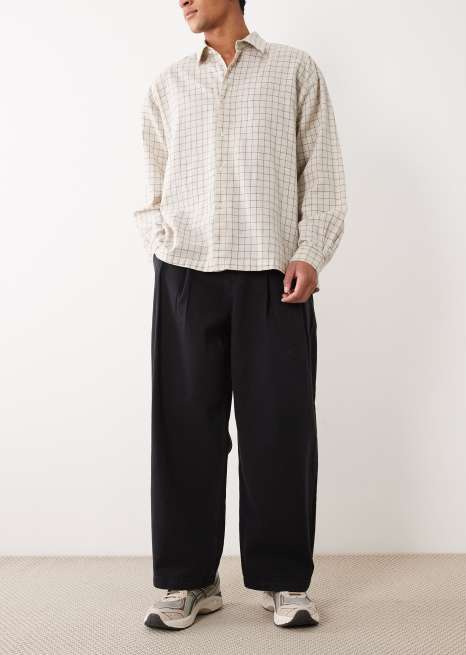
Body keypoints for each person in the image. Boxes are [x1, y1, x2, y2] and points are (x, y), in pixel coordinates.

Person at [134, 0, 347, 630]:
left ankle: (284, 581)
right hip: (186, 276)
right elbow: (149, 186)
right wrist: (164, 244)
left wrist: (311, 252)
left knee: (279, 430)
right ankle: (189, 580)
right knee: (183, 431)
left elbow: (323, 171)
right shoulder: (169, 84)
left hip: (273, 279)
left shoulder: (295, 70)